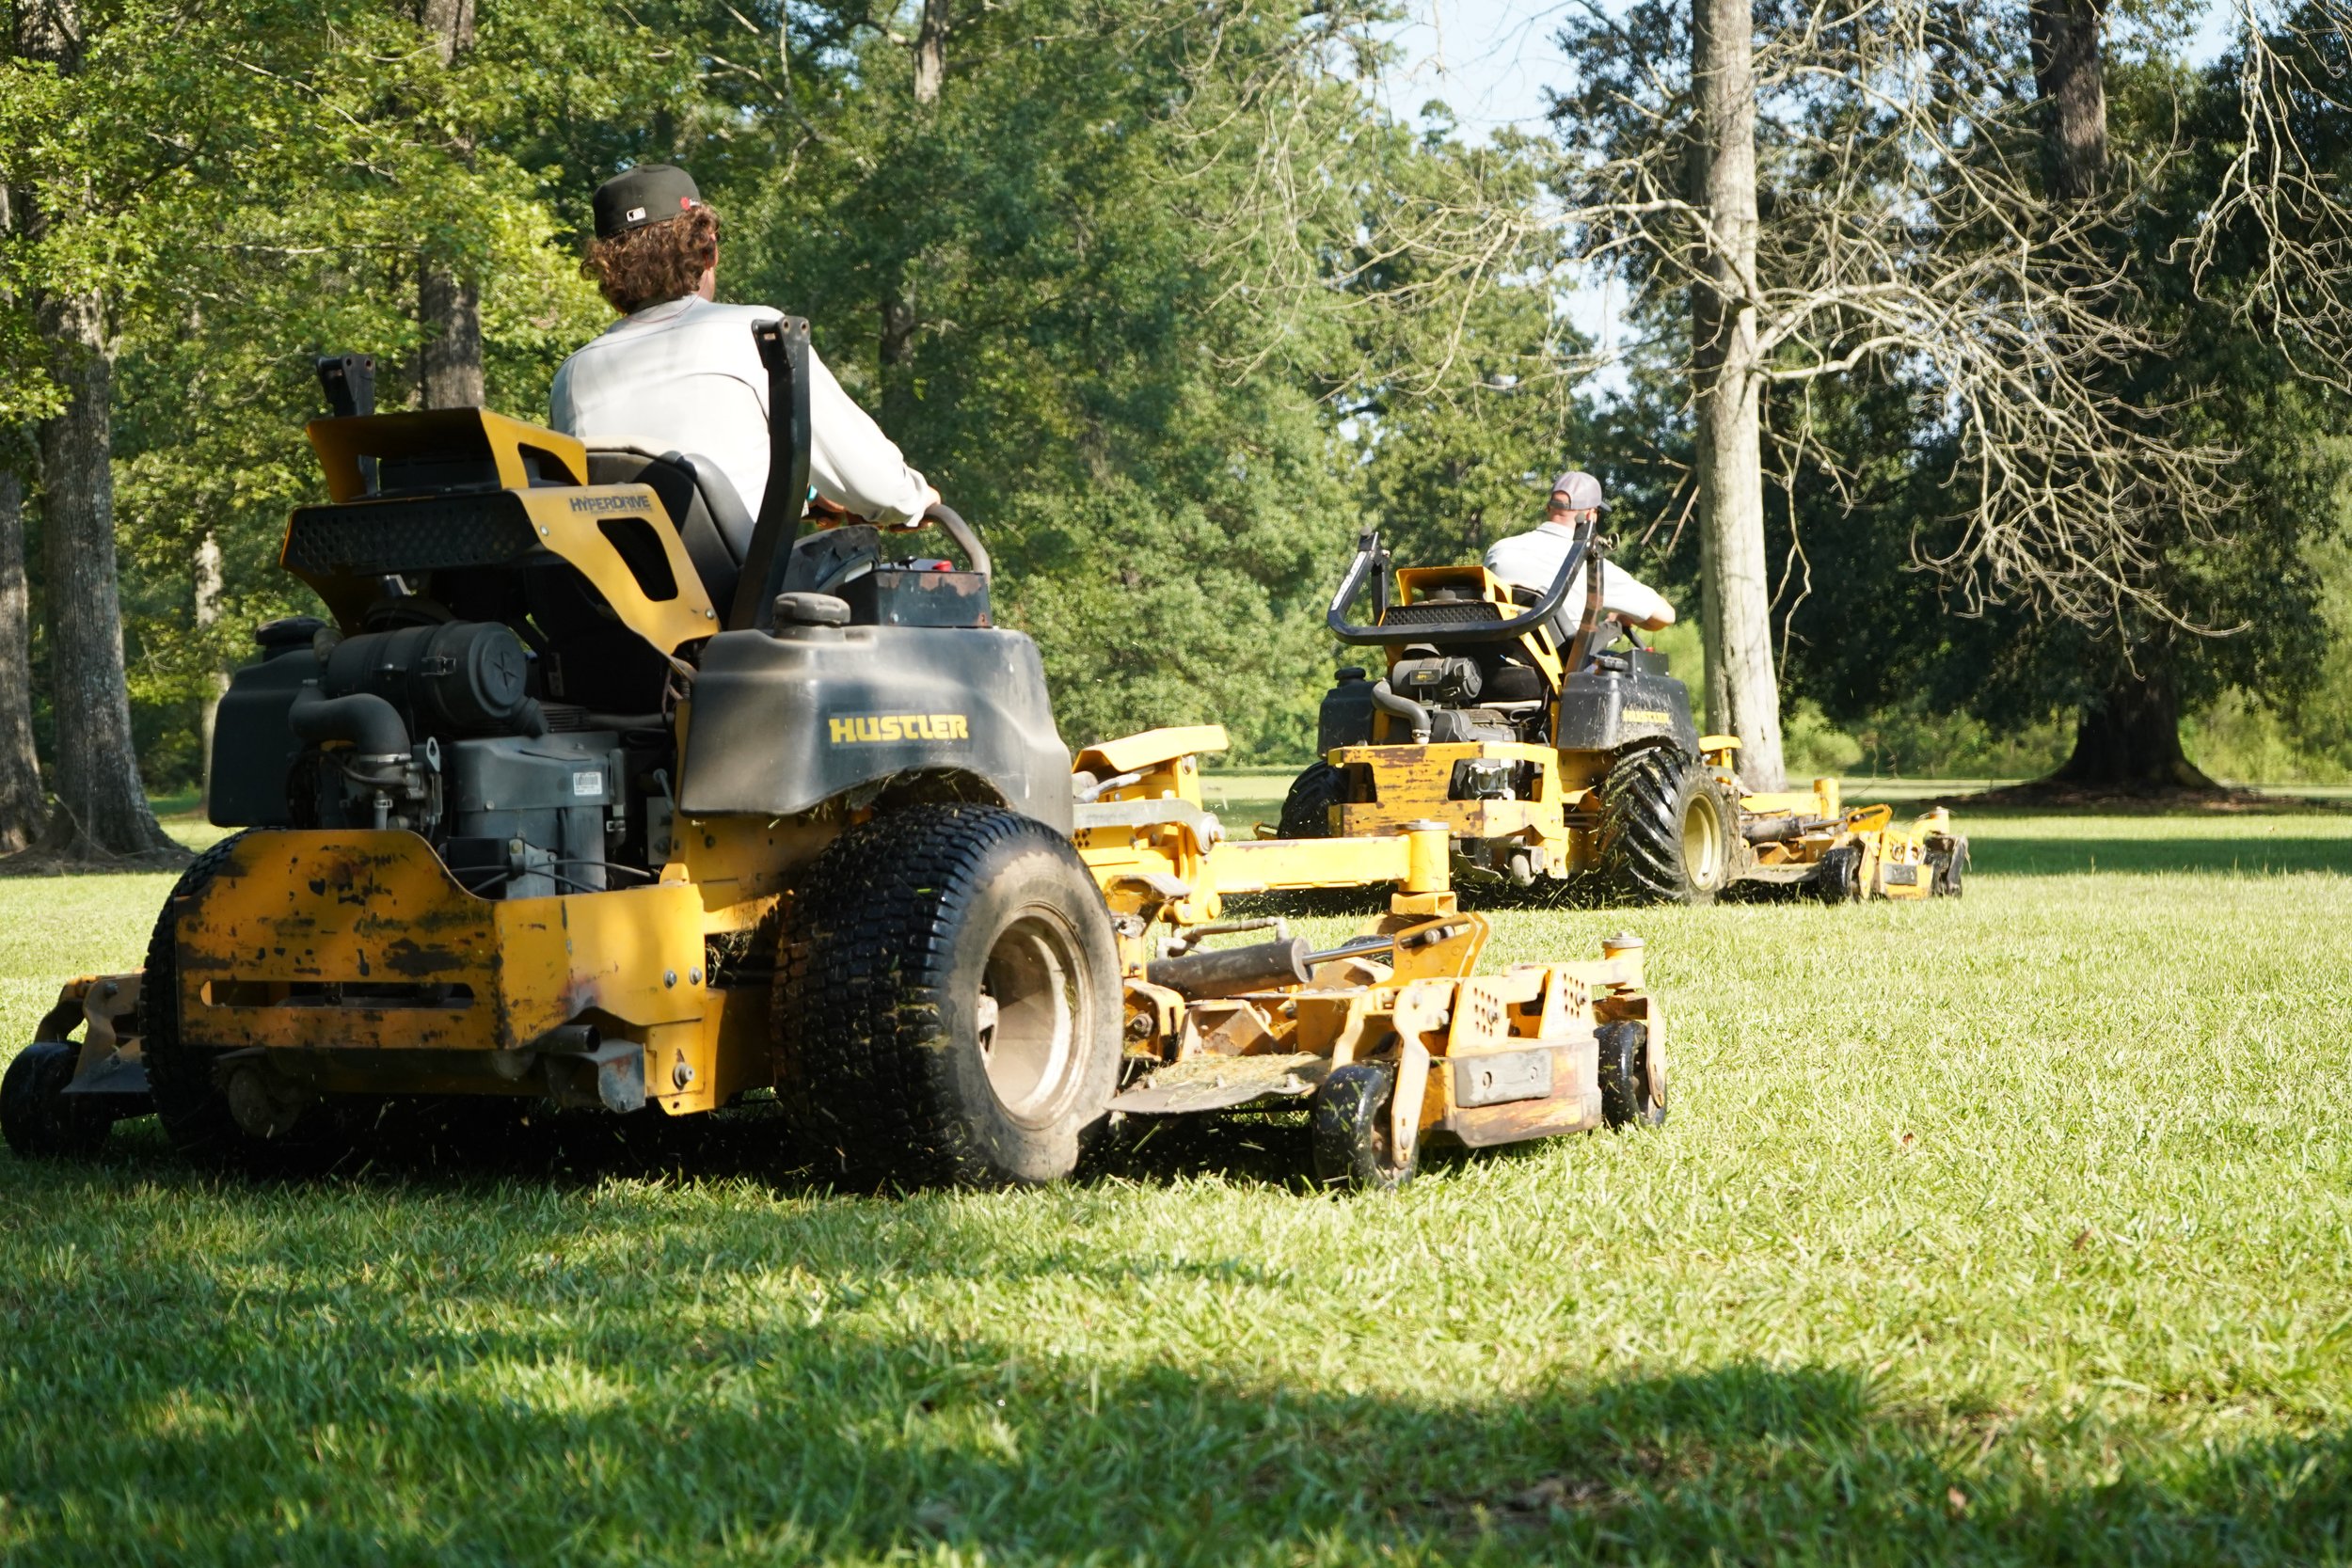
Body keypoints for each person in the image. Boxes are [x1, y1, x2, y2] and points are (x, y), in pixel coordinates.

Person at [549, 163, 937, 526]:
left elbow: (656, 498)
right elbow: (878, 487)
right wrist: (916, 498)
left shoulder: (572, 377)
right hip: (734, 595)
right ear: (708, 251)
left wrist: (807, 494)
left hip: (611, 596)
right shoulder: (758, 334)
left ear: (607, 273)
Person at [1483, 469, 1677, 636]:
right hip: (1560, 673)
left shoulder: (1500, 551)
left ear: (1548, 508)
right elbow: (1666, 616)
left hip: (1492, 665)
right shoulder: (1591, 565)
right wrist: (1621, 618)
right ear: (1591, 516)